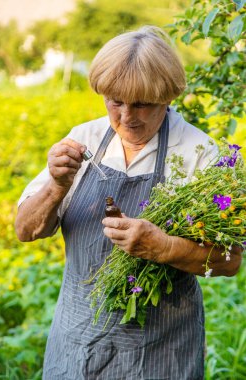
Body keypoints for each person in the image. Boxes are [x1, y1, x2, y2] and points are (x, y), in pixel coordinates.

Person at [15, 26, 242, 380]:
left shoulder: (198, 154)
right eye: (115, 101)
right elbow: (26, 231)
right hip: (78, 342)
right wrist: (57, 186)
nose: (125, 116)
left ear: (167, 96)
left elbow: (230, 261)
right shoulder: (83, 140)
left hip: (162, 350)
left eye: (142, 104)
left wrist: (162, 246)